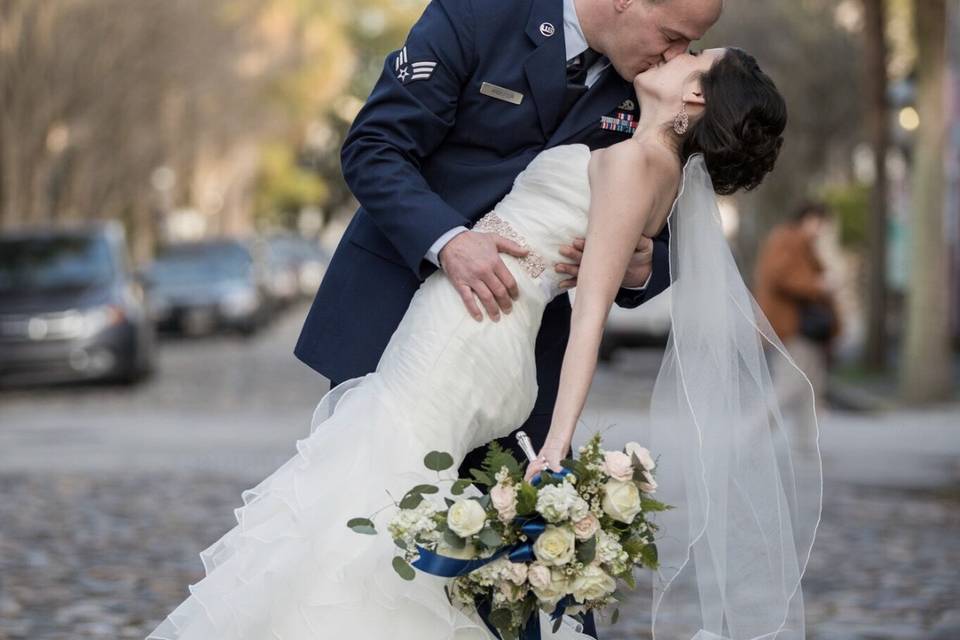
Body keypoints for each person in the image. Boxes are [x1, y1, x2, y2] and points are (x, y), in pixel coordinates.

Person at [147, 45, 820, 640]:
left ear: (694, 97)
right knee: (374, 506)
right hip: (479, 332)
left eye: (691, 57)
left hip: (470, 337)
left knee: (360, 507)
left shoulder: (633, 164)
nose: (676, 54)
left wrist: (556, 444)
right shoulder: (655, 170)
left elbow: (590, 319)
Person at [293, 0, 724, 491]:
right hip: (397, 318)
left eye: (689, 44)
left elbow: (683, 224)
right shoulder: (479, 14)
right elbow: (375, 147)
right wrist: (449, 240)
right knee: (364, 509)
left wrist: (643, 264)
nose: (678, 54)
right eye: (671, 35)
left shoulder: (657, 90)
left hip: (523, 356)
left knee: (492, 547)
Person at [754, 201, 841, 453]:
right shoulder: (788, 240)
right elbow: (778, 275)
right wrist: (818, 285)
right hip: (791, 326)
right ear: (806, 219)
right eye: (818, 222)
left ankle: (806, 444)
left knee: (810, 388)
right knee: (790, 386)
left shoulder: (800, 244)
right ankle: (749, 435)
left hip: (803, 328)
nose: (820, 229)